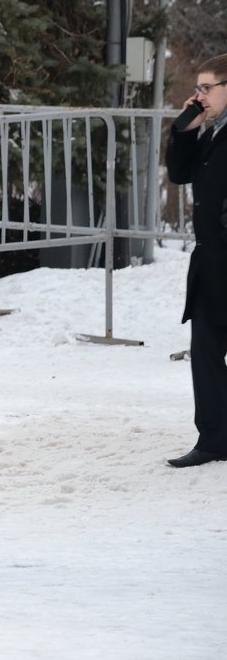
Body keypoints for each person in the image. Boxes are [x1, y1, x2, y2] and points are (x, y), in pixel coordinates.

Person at [164, 53, 227, 468]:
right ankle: (214, 438)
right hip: (210, 260)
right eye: (198, 87)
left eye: (207, 88)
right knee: (204, 347)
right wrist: (184, 128)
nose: (199, 95)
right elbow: (180, 173)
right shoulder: (212, 131)